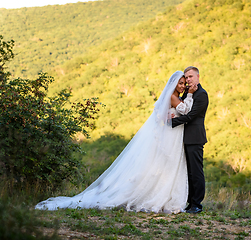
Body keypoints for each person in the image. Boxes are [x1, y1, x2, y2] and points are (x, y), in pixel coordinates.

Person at [35, 71, 195, 213]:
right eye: (180, 83)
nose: (183, 86)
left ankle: (163, 194)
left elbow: (160, 115)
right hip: (171, 136)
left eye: (184, 83)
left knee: (166, 166)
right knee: (167, 165)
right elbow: (186, 110)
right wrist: (190, 94)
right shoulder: (174, 97)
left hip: (172, 134)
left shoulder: (173, 97)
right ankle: (159, 196)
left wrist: (169, 115)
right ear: (173, 83)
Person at [172, 66, 209, 214]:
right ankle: (190, 202)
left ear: (198, 77)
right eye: (186, 77)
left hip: (195, 137)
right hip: (184, 137)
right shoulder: (188, 92)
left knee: (196, 171)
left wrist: (171, 123)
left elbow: (191, 116)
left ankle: (197, 204)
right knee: (188, 172)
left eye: (190, 77)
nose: (188, 80)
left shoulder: (201, 94)